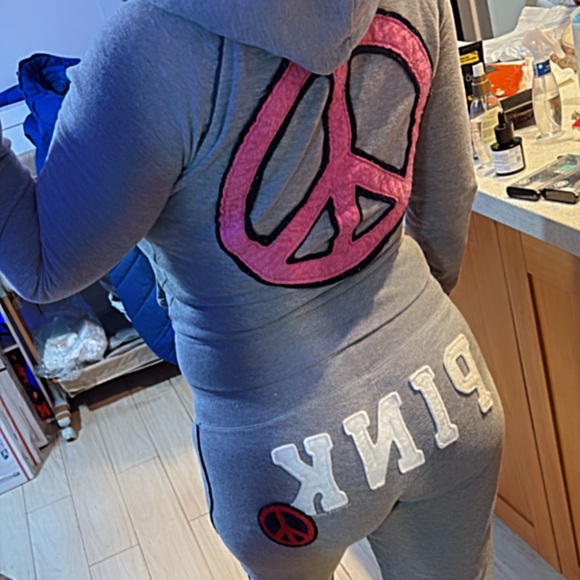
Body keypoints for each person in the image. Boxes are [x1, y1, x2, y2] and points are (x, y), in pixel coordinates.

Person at [0, 0, 504, 578]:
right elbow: (448, 198)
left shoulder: (145, 44)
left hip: (280, 454)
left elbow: (42, 266)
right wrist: (407, 333)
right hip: (448, 386)